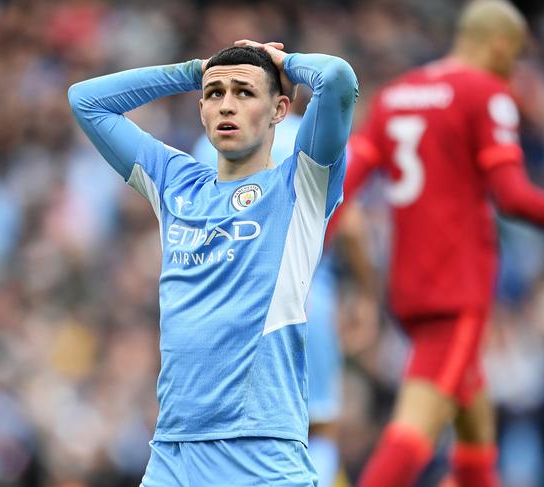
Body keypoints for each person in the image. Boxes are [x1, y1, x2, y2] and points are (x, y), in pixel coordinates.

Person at [335, 2, 544, 486]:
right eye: (515, 53)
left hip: (408, 291)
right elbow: (511, 196)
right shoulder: (485, 92)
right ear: (499, 45)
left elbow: (340, 187)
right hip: (457, 291)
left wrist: (318, 266)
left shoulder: (395, 96)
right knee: (411, 434)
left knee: (476, 431)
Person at [68, 39, 358, 486]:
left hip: (261, 452)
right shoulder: (175, 182)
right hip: (173, 454)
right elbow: (86, 102)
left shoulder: (300, 183)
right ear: (200, 108)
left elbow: (338, 78)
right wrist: (194, 70)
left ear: (279, 110)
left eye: (244, 93)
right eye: (215, 94)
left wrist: (283, 63)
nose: (227, 105)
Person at [191, 95, 343, 487]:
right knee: (315, 427)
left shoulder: (205, 145)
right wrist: (364, 291)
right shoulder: (317, 138)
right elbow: (352, 223)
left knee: (222, 431)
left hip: (223, 307)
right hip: (306, 300)